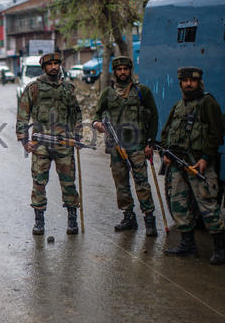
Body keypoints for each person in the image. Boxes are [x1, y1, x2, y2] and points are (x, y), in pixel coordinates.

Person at [160, 67, 225, 265]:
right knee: (179, 205)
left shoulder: (208, 102)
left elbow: (216, 133)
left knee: (208, 205)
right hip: (177, 164)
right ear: (180, 83)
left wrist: (206, 158)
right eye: (185, 80)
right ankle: (187, 244)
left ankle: (221, 249)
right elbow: (166, 131)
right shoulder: (179, 105)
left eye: (193, 80)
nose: (188, 84)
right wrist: (165, 152)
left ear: (200, 82)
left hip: (199, 164)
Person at [16, 52, 82, 235]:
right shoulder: (34, 88)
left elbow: (76, 114)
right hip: (41, 144)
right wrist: (24, 140)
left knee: (68, 183)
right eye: (49, 64)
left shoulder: (68, 88)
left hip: (64, 143)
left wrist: (77, 135)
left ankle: (72, 219)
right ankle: (39, 221)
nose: (53, 67)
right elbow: (22, 114)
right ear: (43, 67)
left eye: (56, 63)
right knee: (39, 183)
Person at [92, 56, 160, 236]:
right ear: (114, 72)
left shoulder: (141, 91)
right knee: (121, 184)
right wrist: (97, 124)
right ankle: (128, 217)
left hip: (137, 146)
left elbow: (153, 117)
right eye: (119, 69)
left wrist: (150, 143)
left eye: (125, 69)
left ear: (130, 70)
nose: (122, 72)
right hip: (116, 146)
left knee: (142, 183)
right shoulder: (108, 93)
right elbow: (96, 115)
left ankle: (149, 220)